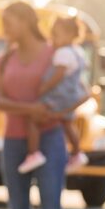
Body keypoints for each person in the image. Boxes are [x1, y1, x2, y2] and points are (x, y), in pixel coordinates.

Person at [0, 1, 69, 209]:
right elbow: (0, 101)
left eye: (8, 22)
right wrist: (31, 109)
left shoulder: (54, 54)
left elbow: (70, 87)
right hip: (14, 141)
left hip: (49, 138)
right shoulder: (2, 60)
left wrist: (48, 113)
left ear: (26, 21)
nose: (5, 29)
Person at [17, 16, 91, 174]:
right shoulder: (78, 52)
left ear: (70, 35)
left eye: (56, 35)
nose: (53, 40)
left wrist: (43, 88)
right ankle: (77, 153)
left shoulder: (62, 53)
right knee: (67, 123)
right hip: (72, 96)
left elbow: (57, 76)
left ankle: (33, 153)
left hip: (59, 96)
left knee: (34, 119)